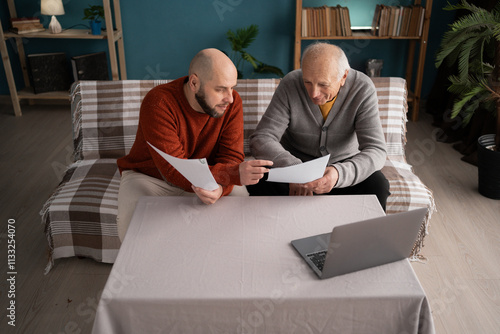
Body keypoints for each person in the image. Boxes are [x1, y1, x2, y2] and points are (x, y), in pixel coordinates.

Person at [116, 48, 272, 241]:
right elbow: (173, 170)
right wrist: (232, 175)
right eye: (220, 89)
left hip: (210, 176)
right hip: (150, 177)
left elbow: (231, 157)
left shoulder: (232, 103)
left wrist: (222, 188)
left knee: (243, 228)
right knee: (134, 239)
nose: (230, 98)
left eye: (232, 87)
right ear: (194, 83)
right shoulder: (158, 102)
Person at [247, 42, 390, 210]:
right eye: (307, 82)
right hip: (292, 170)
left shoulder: (363, 88)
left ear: (343, 77)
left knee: (378, 185)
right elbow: (262, 138)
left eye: (323, 85)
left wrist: (338, 174)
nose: (313, 93)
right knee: (257, 179)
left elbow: (376, 149)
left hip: (341, 170)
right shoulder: (290, 84)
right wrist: (295, 171)